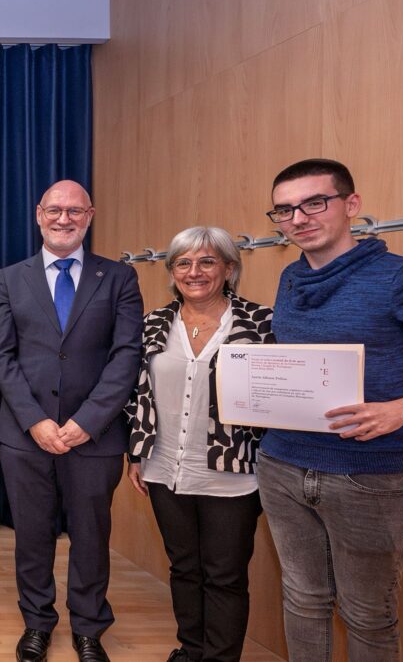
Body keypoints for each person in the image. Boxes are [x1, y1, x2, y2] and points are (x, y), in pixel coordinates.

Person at [256, 158, 403, 662]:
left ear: (351, 204)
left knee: (368, 615)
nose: (299, 218)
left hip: (370, 474)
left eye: (315, 203)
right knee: (303, 601)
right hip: (283, 466)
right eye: (285, 210)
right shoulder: (291, 277)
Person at [0, 179, 143, 662]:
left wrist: (88, 421)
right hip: (25, 436)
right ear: (39, 214)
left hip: (94, 439)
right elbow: (1, 356)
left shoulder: (119, 278)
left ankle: (89, 629)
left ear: (89, 216)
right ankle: (37, 623)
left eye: (75, 211)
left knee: (91, 538)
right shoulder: (9, 279)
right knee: (32, 536)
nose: (64, 219)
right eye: (55, 210)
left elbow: (126, 356)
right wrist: (34, 420)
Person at [124, 227, 273, 662]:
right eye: (184, 263)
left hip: (232, 473)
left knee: (225, 575)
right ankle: (191, 650)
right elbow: (138, 394)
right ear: (172, 271)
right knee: (184, 569)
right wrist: (136, 452)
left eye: (207, 261)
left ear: (229, 268)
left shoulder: (260, 323)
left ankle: (220, 658)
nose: (195, 272)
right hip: (163, 468)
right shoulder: (153, 323)